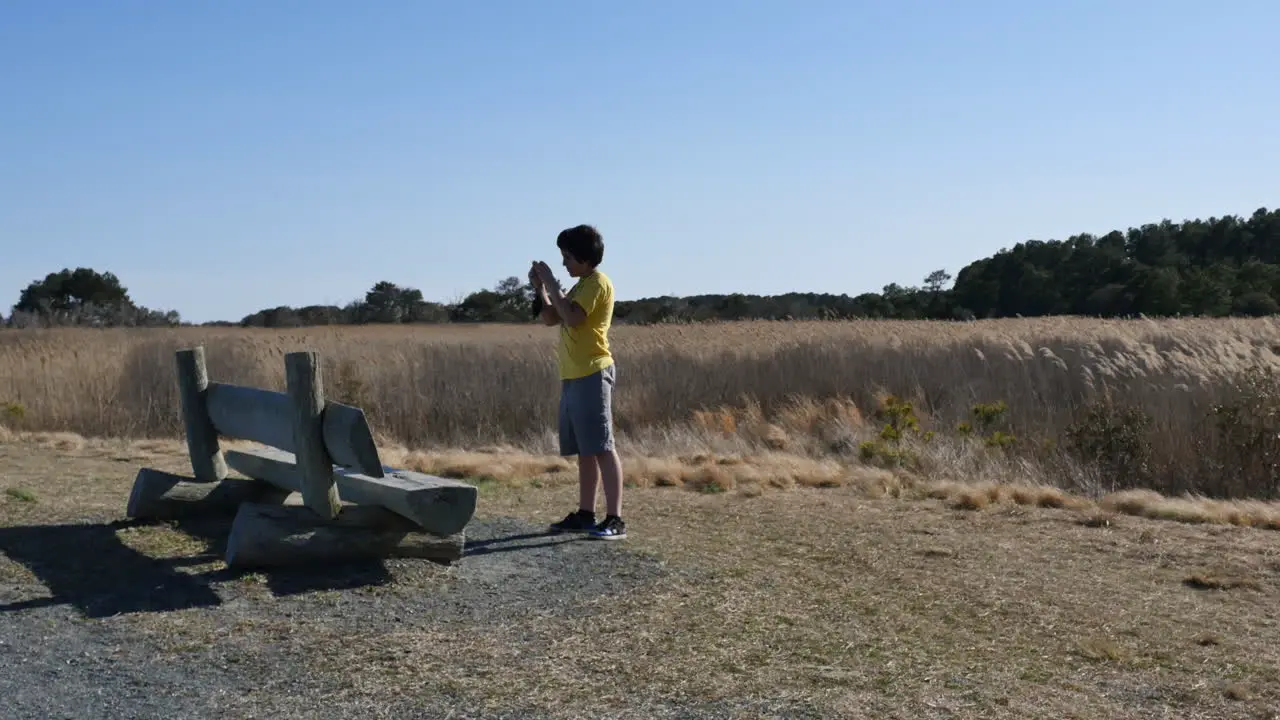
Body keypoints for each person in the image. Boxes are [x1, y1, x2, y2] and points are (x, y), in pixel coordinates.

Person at [529, 224, 627, 540]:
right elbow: (551, 317)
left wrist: (552, 282)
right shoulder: (581, 284)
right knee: (586, 449)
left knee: (602, 446)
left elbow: (572, 317)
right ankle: (586, 513)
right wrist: (541, 290)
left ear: (584, 258)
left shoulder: (597, 283)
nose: (564, 264)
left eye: (567, 257)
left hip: (592, 372)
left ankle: (615, 519)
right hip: (573, 375)